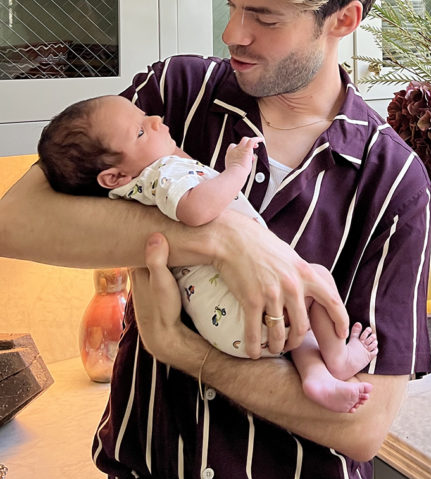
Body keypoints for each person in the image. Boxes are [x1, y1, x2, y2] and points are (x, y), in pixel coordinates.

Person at [0, 0, 431, 479]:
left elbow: (361, 426)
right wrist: (224, 238)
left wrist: (189, 352)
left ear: (343, 19)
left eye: (263, 15)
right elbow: (14, 219)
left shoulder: (392, 179)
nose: (233, 33)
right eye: (230, 4)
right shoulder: (172, 98)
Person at [37, 95, 379, 413]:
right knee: (313, 277)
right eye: (141, 130)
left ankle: (316, 378)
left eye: (146, 116)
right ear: (114, 176)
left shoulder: (134, 192)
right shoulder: (162, 174)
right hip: (240, 307)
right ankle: (339, 358)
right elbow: (197, 209)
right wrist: (237, 170)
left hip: (226, 325)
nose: (156, 119)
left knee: (298, 321)